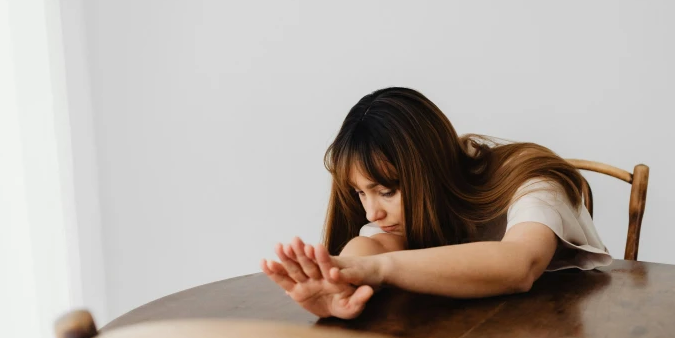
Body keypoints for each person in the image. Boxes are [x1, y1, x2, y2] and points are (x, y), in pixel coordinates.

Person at [260, 87, 611, 319]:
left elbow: (518, 265)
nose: (372, 212)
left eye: (386, 191)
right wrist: (339, 279)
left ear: (430, 171)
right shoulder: (399, 215)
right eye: (360, 193)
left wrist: (379, 269)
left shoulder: (531, 180)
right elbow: (374, 245)